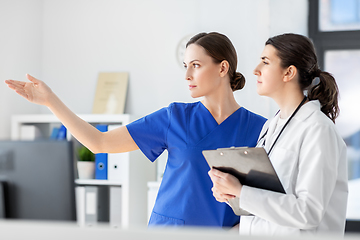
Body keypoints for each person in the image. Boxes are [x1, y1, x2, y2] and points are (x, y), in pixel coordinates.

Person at [5, 32, 266, 227]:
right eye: (185, 66)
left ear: (222, 68)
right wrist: (50, 100)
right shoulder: (175, 116)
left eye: (195, 65)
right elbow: (100, 143)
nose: (187, 75)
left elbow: (264, 199)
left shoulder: (260, 128)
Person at [208, 33, 348, 235]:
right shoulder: (271, 125)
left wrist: (241, 191)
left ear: (288, 73)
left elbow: (307, 213)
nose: (256, 70)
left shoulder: (318, 129)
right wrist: (231, 193)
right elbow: (264, 200)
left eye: (265, 62)